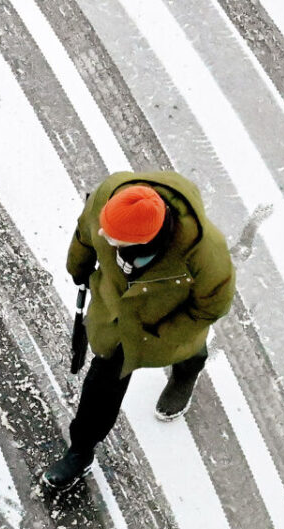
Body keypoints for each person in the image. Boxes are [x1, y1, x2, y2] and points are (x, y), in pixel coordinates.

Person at [42, 170, 237, 494]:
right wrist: (77, 265)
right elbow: (85, 233)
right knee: (101, 384)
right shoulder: (110, 200)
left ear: (144, 239)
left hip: (165, 324)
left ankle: (188, 369)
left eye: (114, 235)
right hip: (116, 318)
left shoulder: (205, 255)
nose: (104, 232)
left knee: (188, 349)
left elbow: (210, 307)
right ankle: (80, 450)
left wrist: (165, 336)